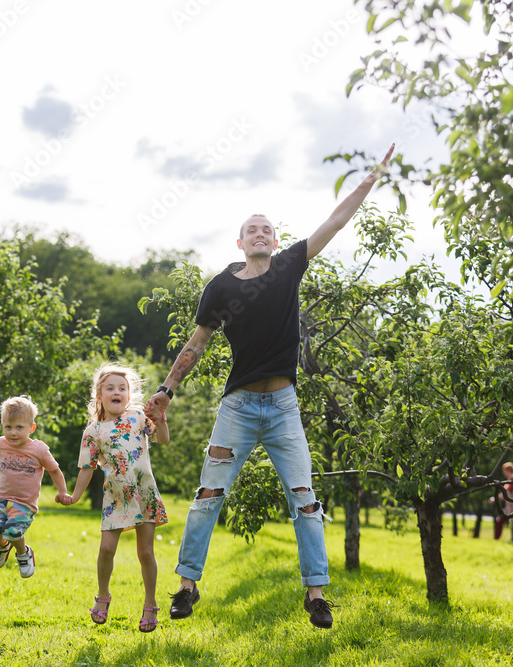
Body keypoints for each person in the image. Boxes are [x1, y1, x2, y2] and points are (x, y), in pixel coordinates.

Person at [144, 145, 395, 629]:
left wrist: (370, 180)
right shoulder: (220, 287)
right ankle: (187, 585)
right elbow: (196, 344)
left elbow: (335, 221)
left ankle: (316, 594)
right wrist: (167, 390)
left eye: (267, 229)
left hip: (283, 407)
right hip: (237, 408)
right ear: (239, 242)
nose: (260, 233)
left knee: (306, 500)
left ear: (275, 241)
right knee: (207, 496)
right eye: (251, 229)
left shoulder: (287, 267)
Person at [60, 364, 170, 632]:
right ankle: (103, 596)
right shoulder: (93, 431)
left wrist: (162, 420)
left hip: (143, 493)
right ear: (99, 395)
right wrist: (74, 496)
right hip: (116, 498)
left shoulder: (139, 419)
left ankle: (150, 603)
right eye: (110, 388)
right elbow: (87, 468)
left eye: (122, 388)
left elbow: (163, 440)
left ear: (129, 396)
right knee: (106, 549)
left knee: (145, 552)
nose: (116, 391)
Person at [0, 395, 70, 578]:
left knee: (12, 531)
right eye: (8, 427)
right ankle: (2, 546)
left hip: (24, 503)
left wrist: (62, 491)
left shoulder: (39, 449)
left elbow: (55, 470)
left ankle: (23, 552)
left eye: (19, 427)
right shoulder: (2, 443)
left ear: (31, 427)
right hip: (1, 499)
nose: (13, 433)